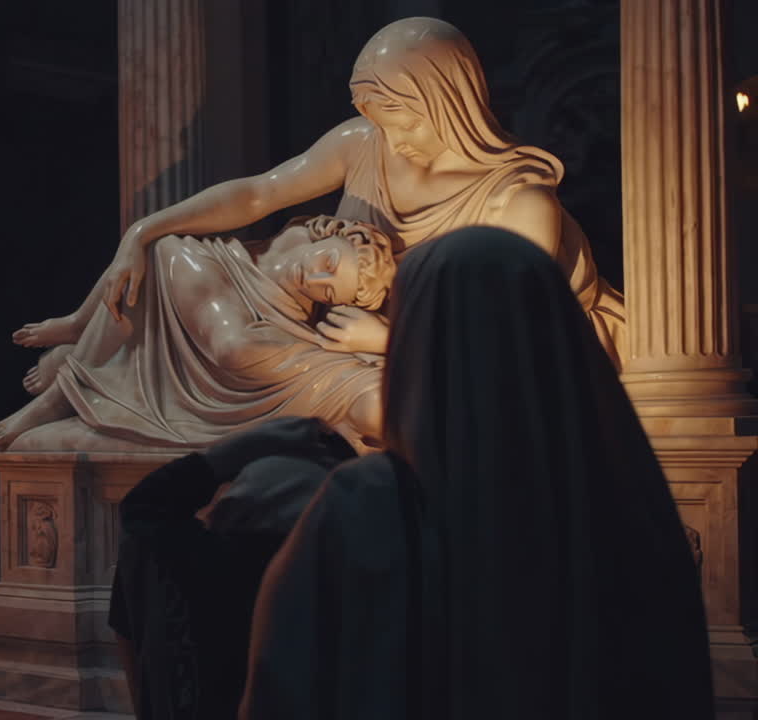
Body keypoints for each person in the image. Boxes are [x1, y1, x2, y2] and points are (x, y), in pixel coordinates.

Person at [240, 228, 712, 719]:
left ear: (412, 345)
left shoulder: (370, 504)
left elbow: (285, 686)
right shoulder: (631, 503)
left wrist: (221, 462)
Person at [14, 16, 625, 371]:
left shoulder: (517, 205)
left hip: (476, 364)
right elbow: (258, 195)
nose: (393, 137)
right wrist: (140, 232)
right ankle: (95, 361)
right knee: (177, 267)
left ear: (448, 100)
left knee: (244, 357)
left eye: (403, 118)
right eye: (380, 119)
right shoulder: (366, 142)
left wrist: (390, 340)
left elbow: (505, 339)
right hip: (345, 343)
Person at [0, 216, 396, 452]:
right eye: (327, 262)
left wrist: (377, 344)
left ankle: (79, 360)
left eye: (326, 289)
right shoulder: (259, 242)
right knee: (158, 249)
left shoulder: (311, 323)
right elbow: (250, 193)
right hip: (219, 276)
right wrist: (142, 231)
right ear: (330, 235)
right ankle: (76, 345)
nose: (315, 276)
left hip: (274, 349)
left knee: (236, 344)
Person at [109, 417, 351, 719]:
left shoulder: (191, 570)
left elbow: (143, 507)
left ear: (228, 512)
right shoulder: (337, 597)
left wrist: (231, 454)